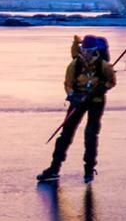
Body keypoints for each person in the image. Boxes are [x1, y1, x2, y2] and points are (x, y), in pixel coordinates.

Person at [40, 34, 116, 183]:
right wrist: (73, 96)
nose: (86, 53)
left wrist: (101, 89)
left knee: (90, 135)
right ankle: (54, 168)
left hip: (96, 102)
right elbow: (68, 83)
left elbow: (111, 81)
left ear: (95, 50)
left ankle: (89, 170)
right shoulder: (75, 65)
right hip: (78, 101)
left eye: (89, 50)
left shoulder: (104, 66)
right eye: (84, 50)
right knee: (66, 134)